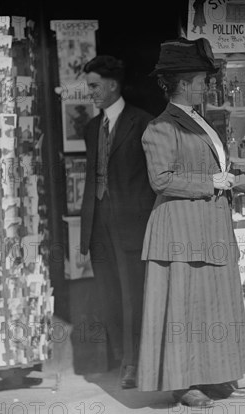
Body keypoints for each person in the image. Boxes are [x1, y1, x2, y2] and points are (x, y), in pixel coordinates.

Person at [137, 37, 245, 408]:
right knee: (183, 308)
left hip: (209, 224)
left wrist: (233, 178)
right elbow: (162, 180)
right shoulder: (161, 127)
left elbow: (210, 168)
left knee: (211, 304)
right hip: (180, 228)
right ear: (183, 83)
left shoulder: (201, 121)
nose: (207, 85)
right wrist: (210, 183)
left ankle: (211, 375)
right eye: (201, 79)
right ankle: (183, 384)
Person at [79, 55, 155, 389]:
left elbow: (153, 179)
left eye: (94, 85)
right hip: (98, 225)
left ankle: (134, 362)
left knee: (133, 296)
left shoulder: (144, 123)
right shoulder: (92, 128)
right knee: (109, 295)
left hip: (132, 225)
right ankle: (122, 355)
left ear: (113, 85)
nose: (90, 92)